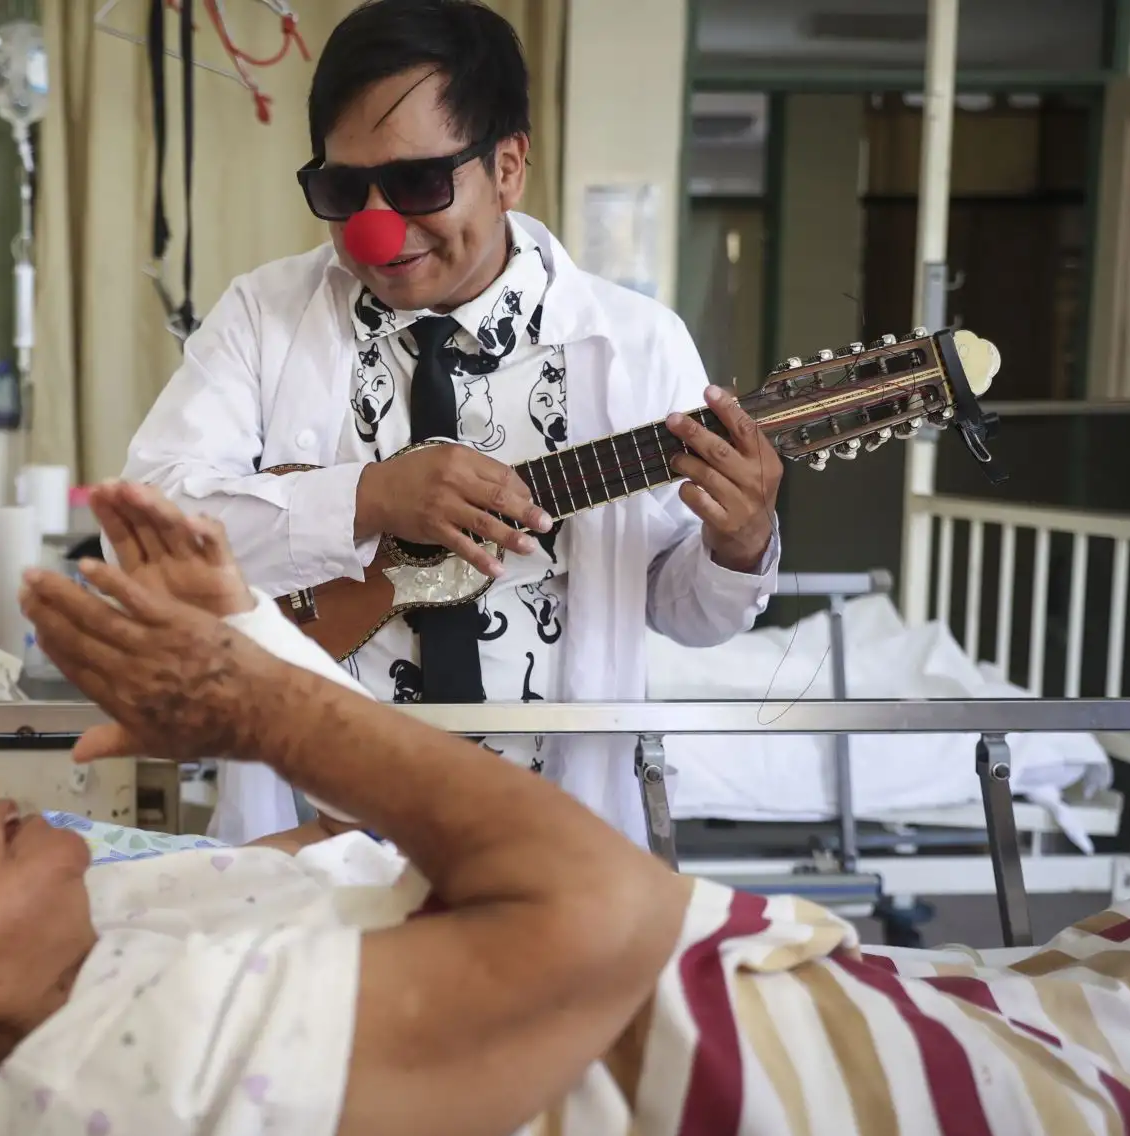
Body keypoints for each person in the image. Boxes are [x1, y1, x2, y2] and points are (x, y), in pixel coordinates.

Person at [0, 482, 1130, 1136]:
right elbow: (598, 917)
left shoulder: (119, 940)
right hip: (965, 1123)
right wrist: (258, 706)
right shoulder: (92, 1105)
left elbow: (357, 850)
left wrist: (251, 638)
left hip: (951, 1010)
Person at [120, 0, 784, 846]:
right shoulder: (262, 317)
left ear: (507, 167)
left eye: (417, 183)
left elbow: (684, 612)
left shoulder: (636, 345)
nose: (374, 228)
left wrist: (739, 543)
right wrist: (364, 500)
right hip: (308, 842)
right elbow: (140, 537)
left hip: (553, 847)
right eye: (340, 188)